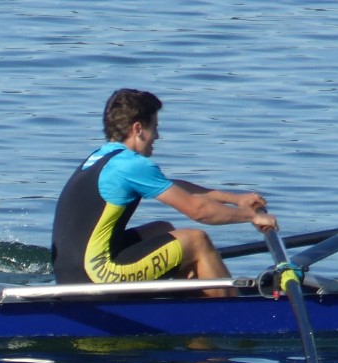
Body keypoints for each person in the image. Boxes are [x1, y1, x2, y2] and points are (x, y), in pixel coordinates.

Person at [51, 88, 276, 297]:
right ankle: (230, 313)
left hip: (70, 273)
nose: (157, 136)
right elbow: (199, 211)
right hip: (95, 278)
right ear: (138, 129)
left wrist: (235, 199)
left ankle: (188, 300)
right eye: (155, 127)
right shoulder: (131, 165)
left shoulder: (103, 157)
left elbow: (174, 188)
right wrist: (251, 216)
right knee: (196, 240)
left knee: (162, 229)